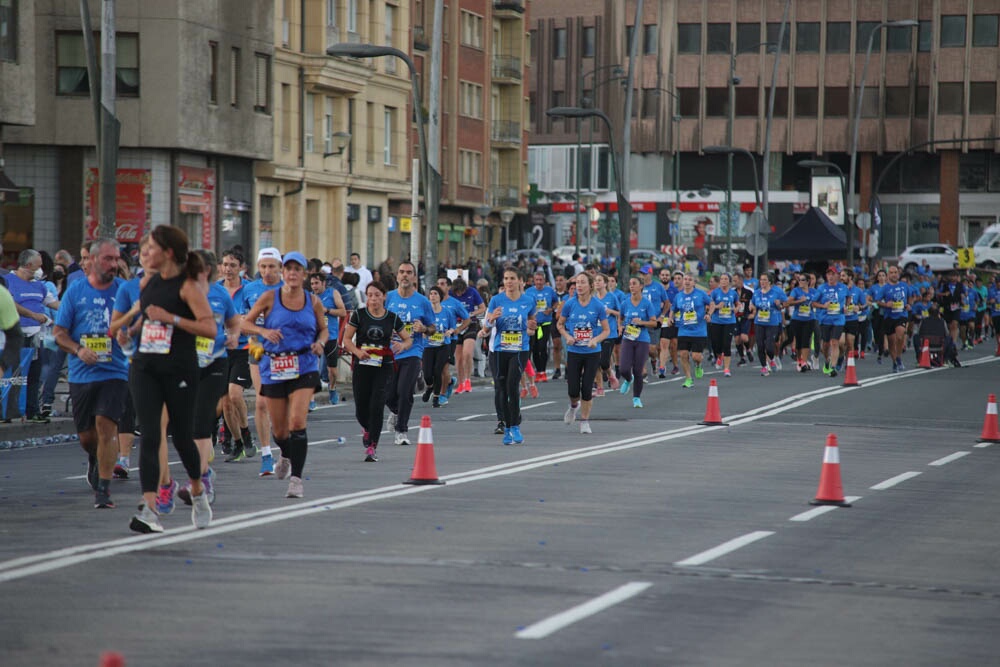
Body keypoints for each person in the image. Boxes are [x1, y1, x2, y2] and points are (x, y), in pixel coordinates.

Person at [127, 225, 216, 534]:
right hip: (145, 367)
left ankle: (198, 492)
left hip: (178, 369)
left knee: (180, 436)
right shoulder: (147, 282)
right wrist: (133, 329)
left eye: (151, 248)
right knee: (150, 434)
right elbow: (148, 316)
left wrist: (172, 319)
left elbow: (210, 329)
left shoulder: (188, 286)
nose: (146, 253)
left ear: (167, 253)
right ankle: (150, 510)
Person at [242, 251, 327, 497]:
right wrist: (263, 331)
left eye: (296, 269)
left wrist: (320, 343)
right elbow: (244, 323)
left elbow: (323, 330)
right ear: (283, 272)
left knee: (297, 422)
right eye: (287, 269)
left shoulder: (313, 302)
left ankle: (297, 480)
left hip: (304, 364)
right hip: (274, 366)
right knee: (279, 431)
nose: (291, 273)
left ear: (304, 274)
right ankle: (286, 454)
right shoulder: (269, 297)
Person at [52, 239, 127, 509]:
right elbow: (58, 333)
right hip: (82, 373)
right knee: (87, 437)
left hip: (115, 371)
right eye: (108, 259)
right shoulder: (75, 291)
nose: (114, 264)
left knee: (107, 427)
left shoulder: (125, 291)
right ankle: (95, 458)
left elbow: (140, 324)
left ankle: (104, 491)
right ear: (92, 260)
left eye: (117, 259)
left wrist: (131, 337)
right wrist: (78, 349)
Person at [176, 250, 240, 507]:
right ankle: (202, 473)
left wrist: (233, 335)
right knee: (186, 427)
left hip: (214, 362)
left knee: (202, 424)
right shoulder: (180, 292)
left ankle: (201, 482)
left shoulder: (220, 293)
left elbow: (234, 322)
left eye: (206, 269)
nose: (202, 274)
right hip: (185, 364)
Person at [342, 281, 410, 462]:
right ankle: (367, 428)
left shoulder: (392, 317)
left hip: (384, 365)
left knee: (377, 404)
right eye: (370, 295)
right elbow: (346, 339)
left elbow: (408, 339)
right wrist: (357, 352)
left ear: (384, 296)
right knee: (361, 408)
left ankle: (372, 446)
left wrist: (402, 345)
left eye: (377, 295)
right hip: (362, 365)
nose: (373, 299)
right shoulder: (359, 315)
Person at [237, 247, 283, 467]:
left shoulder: (289, 289)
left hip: (285, 353)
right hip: (258, 351)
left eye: (271, 266)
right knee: (262, 401)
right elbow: (242, 321)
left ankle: (286, 446)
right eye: (263, 267)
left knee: (283, 404)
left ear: (280, 268)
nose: (267, 271)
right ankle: (266, 454)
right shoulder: (249, 290)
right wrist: (249, 325)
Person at [5, 249, 61, 423]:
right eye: (39, 266)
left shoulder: (40, 285)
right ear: (28, 265)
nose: (41, 269)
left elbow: (54, 303)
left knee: (33, 375)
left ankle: (32, 410)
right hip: (14, 335)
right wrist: (32, 314)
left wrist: (73, 307)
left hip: (36, 335)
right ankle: (6, 411)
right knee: (11, 374)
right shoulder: (8, 281)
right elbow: (9, 303)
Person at [384, 261, 436, 446]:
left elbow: (433, 328)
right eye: (401, 272)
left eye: (409, 272)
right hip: (389, 353)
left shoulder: (422, 301)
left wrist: (423, 328)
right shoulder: (388, 298)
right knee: (388, 394)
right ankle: (396, 411)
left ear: (414, 277)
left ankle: (402, 431)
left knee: (405, 391)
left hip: (413, 352)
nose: (405, 275)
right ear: (397, 276)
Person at [485, 267, 537, 444]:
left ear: (520, 281)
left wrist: (532, 328)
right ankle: (506, 426)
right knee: (501, 389)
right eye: (506, 278)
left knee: (512, 384)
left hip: (520, 348)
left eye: (512, 278)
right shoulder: (496, 300)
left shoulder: (528, 301)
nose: (508, 282)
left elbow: (531, 328)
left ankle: (515, 426)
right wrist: (491, 318)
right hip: (499, 350)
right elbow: (485, 327)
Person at [557, 272, 610, 434]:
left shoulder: (598, 306)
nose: (579, 286)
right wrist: (567, 336)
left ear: (590, 285)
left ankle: (585, 421)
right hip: (574, 351)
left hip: (592, 352)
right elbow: (560, 325)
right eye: (577, 283)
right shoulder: (569, 304)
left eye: (582, 283)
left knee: (587, 388)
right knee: (573, 389)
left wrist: (595, 340)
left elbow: (606, 330)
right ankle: (574, 407)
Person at [217, 248, 254, 460]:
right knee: (225, 403)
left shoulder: (249, 290)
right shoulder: (215, 290)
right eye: (225, 265)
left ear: (241, 268)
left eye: (232, 265)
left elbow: (253, 318)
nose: (228, 269)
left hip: (243, 349)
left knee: (235, 394)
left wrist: (241, 320)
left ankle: (247, 434)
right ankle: (237, 443)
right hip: (221, 350)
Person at [617, 275, 659, 407]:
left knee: (638, 369)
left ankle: (636, 398)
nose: (631, 286)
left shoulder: (647, 303)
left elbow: (654, 322)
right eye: (630, 284)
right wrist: (620, 326)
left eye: (634, 283)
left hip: (642, 339)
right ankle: (628, 379)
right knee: (623, 368)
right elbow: (620, 316)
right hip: (628, 338)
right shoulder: (625, 303)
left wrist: (642, 322)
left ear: (641, 286)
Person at [422, 286, 465, 407]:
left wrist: (450, 332)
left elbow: (453, 327)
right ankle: (429, 387)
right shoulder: (426, 312)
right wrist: (423, 331)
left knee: (438, 371)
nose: (433, 296)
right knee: (427, 374)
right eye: (431, 294)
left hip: (443, 345)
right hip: (428, 346)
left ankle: (436, 397)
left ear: (440, 297)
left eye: (435, 293)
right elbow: (421, 326)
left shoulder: (447, 312)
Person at [668, 273, 712, 389]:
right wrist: (670, 318)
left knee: (696, 356)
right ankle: (688, 378)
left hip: (699, 330)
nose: (687, 282)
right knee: (683, 354)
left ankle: (698, 365)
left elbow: (711, 304)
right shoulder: (679, 296)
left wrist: (709, 314)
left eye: (690, 280)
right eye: (685, 279)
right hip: (684, 330)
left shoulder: (701, 294)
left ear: (694, 282)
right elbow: (673, 308)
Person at [310, 272, 347, 406]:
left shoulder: (333, 293)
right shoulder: (309, 297)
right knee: (311, 367)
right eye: (312, 284)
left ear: (323, 283)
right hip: (315, 336)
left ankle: (332, 388)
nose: (314, 286)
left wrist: (326, 310)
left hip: (330, 336)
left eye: (317, 283)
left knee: (332, 370)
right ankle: (311, 398)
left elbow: (343, 312)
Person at [748, 272, 787, 376]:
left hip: (772, 322)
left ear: (770, 281)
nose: (762, 282)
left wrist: (780, 304)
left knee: (769, 346)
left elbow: (786, 302)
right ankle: (764, 367)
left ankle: (772, 358)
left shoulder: (776, 291)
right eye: (761, 280)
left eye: (765, 280)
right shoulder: (756, 293)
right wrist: (751, 307)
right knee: (760, 345)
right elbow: (752, 303)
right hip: (759, 322)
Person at [450, 277, 485, 393]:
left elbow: (482, 308)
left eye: (462, 292)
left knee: (467, 353)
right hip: (457, 326)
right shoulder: (451, 293)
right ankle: (461, 383)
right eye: (457, 293)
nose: (459, 294)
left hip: (470, 323)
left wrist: (472, 313)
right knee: (459, 358)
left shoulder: (472, 291)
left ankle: (468, 380)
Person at [812, 268, 848, 378]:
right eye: (828, 274)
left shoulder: (843, 287)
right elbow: (813, 303)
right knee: (826, 344)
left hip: (838, 319)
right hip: (825, 319)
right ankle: (827, 360)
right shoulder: (822, 288)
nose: (831, 276)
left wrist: (846, 306)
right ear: (826, 276)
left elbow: (849, 297)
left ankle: (833, 367)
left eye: (833, 274)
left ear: (837, 275)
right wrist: (823, 306)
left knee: (835, 342)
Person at [523, 271, 557, 383]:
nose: (538, 282)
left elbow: (556, 303)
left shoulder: (550, 290)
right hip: (534, 323)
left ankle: (542, 371)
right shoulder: (528, 292)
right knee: (535, 348)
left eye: (540, 280)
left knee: (543, 347)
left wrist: (551, 310)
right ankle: (538, 371)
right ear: (534, 280)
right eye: (536, 280)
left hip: (545, 323)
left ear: (544, 280)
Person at [879, 265, 912, 373]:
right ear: (888, 275)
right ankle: (895, 362)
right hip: (889, 317)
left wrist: (908, 305)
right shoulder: (885, 288)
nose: (894, 274)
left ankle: (898, 357)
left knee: (900, 335)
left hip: (901, 315)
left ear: (898, 274)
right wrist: (886, 304)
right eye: (892, 272)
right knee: (891, 342)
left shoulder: (904, 286)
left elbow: (909, 298)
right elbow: (877, 302)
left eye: (896, 272)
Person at [593, 273, 621, 395]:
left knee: (604, 361)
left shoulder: (612, 297)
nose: (597, 282)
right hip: (595, 334)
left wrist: (610, 311)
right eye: (595, 281)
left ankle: (610, 374)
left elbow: (621, 313)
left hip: (609, 333)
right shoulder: (593, 298)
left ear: (605, 283)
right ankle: (600, 388)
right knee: (595, 362)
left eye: (599, 280)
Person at [708, 272, 739, 377]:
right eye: (722, 279)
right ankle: (719, 356)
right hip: (716, 321)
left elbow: (738, 304)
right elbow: (710, 306)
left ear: (729, 281)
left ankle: (726, 368)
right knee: (716, 344)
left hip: (729, 322)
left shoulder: (733, 293)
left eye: (726, 279)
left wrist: (736, 309)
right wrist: (717, 306)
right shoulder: (715, 293)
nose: (723, 281)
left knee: (726, 344)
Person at [786, 274, 817, 372]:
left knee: (806, 340)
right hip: (797, 319)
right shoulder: (796, 291)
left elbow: (819, 301)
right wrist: (800, 300)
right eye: (799, 280)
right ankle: (799, 360)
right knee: (799, 341)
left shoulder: (813, 292)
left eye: (802, 280)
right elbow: (789, 302)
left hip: (809, 319)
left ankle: (804, 361)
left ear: (808, 281)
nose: (800, 282)